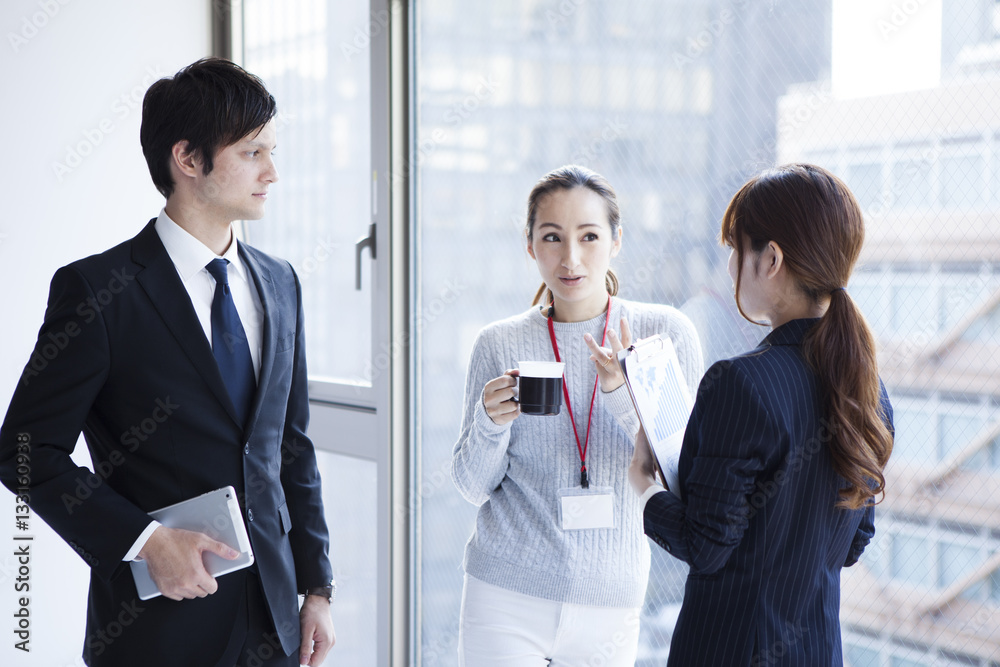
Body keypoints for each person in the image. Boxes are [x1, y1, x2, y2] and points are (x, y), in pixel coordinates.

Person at [0, 58, 335, 667]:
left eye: (273, 151)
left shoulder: (281, 283)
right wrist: (144, 541)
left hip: (276, 619)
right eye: (254, 152)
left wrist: (317, 586)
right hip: (157, 627)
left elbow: (292, 444)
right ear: (187, 158)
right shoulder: (98, 290)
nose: (273, 173)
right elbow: (24, 451)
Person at [630, 163, 894, 666]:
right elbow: (854, 542)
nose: (729, 267)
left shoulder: (739, 383)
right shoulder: (868, 391)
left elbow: (704, 547)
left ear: (770, 258)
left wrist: (643, 485)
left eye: (736, 248)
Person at [451, 164, 703, 666]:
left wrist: (620, 396)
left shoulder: (663, 333)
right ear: (529, 245)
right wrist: (489, 421)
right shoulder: (499, 342)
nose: (570, 258)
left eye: (589, 236)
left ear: (616, 240)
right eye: (552, 237)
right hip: (504, 593)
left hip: (610, 602)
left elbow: (685, 475)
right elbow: (472, 486)